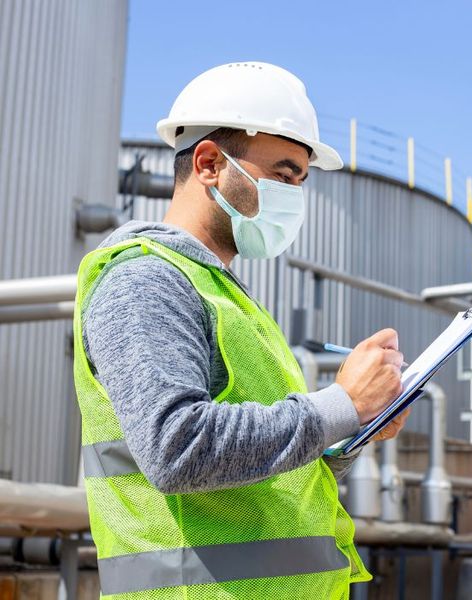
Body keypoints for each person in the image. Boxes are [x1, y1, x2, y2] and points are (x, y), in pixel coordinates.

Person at [73, 62, 410, 599]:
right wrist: (341, 403)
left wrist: (353, 428)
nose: (295, 195)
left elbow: (264, 479)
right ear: (209, 163)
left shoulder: (227, 297)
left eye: (301, 179)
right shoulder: (145, 280)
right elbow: (176, 449)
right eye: (283, 174)